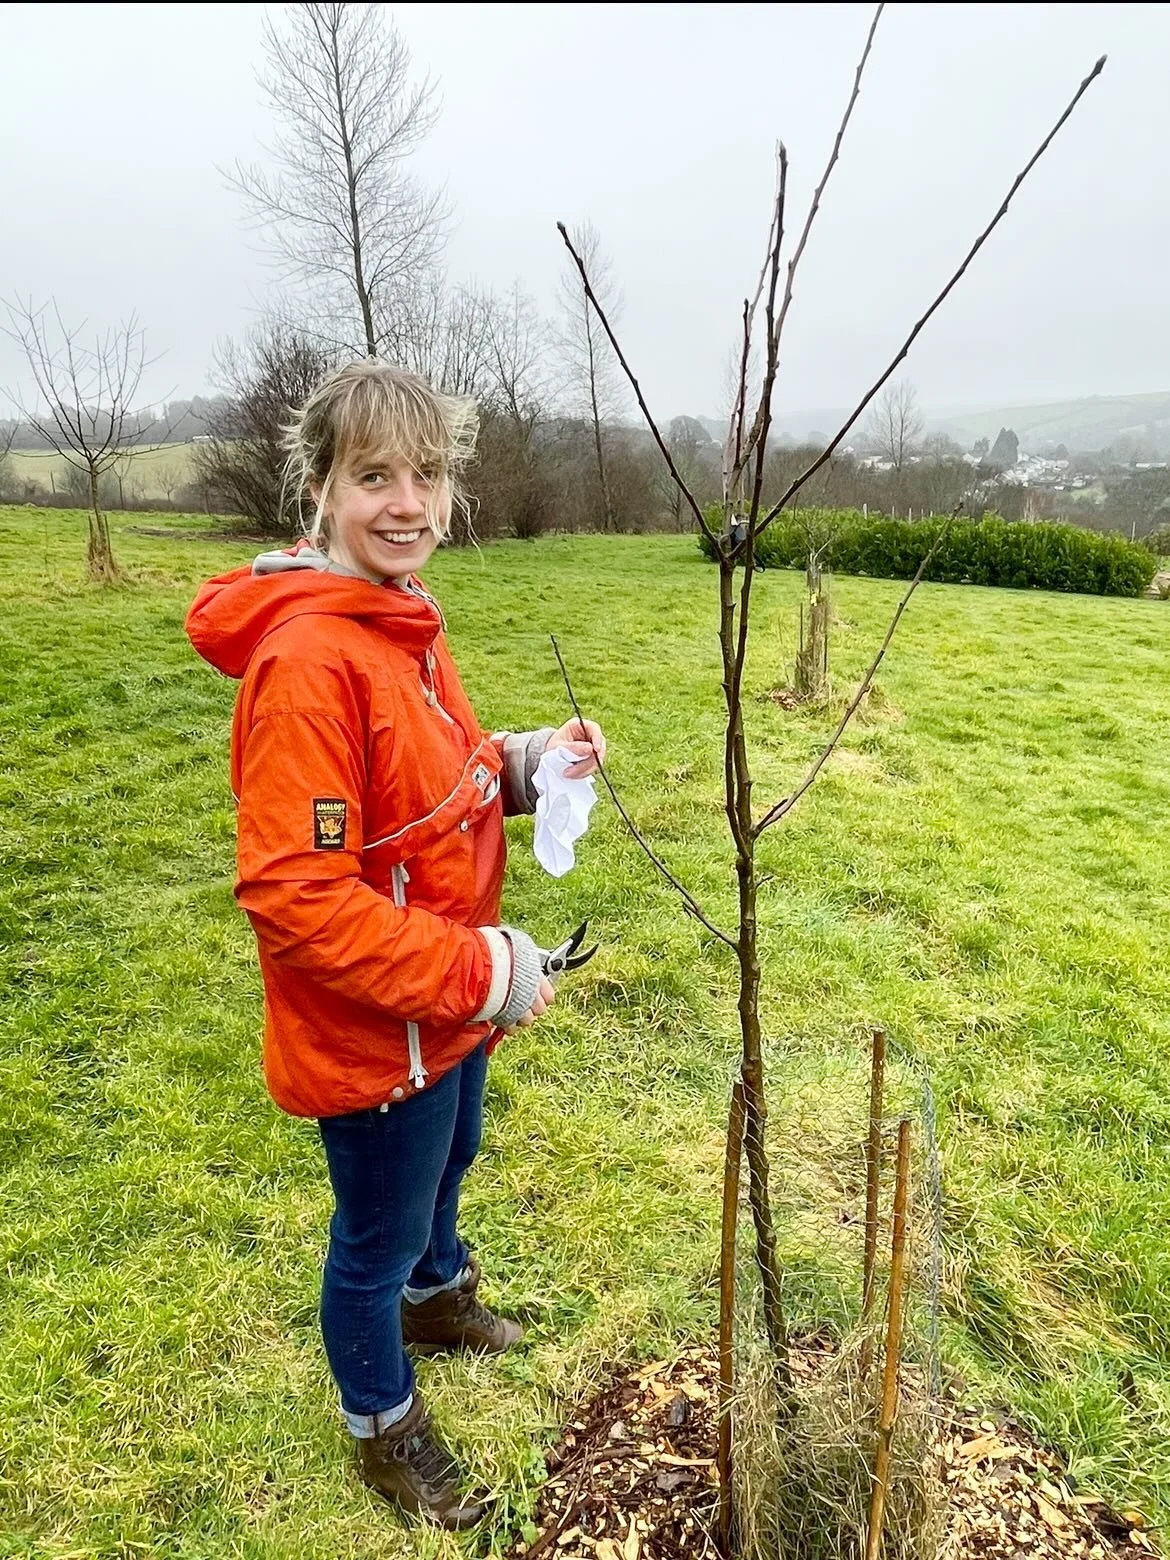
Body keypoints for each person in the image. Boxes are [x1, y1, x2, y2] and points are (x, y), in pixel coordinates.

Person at [185, 360, 606, 1530]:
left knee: (452, 1159)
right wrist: (485, 971)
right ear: (320, 486)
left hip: (444, 1014)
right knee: (370, 1240)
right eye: (375, 475)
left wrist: (525, 764)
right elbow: (297, 894)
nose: (408, 502)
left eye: (428, 474)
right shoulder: (309, 662)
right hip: (380, 1025)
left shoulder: (402, 621)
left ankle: (441, 1295)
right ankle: (385, 1423)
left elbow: (434, 783)